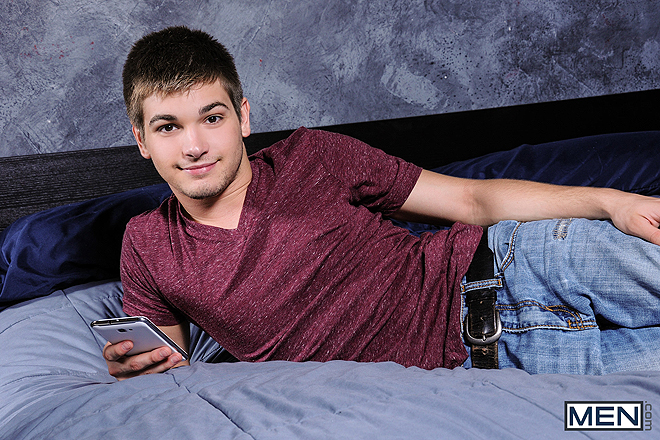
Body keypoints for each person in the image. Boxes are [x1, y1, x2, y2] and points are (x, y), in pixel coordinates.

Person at [104, 26, 660, 380]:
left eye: (212, 117)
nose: (195, 145)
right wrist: (135, 367)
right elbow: (167, 365)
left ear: (243, 117)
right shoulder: (148, 245)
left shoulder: (314, 156)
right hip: (505, 364)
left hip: (519, 264)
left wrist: (610, 202)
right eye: (168, 126)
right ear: (141, 140)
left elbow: (470, 198)